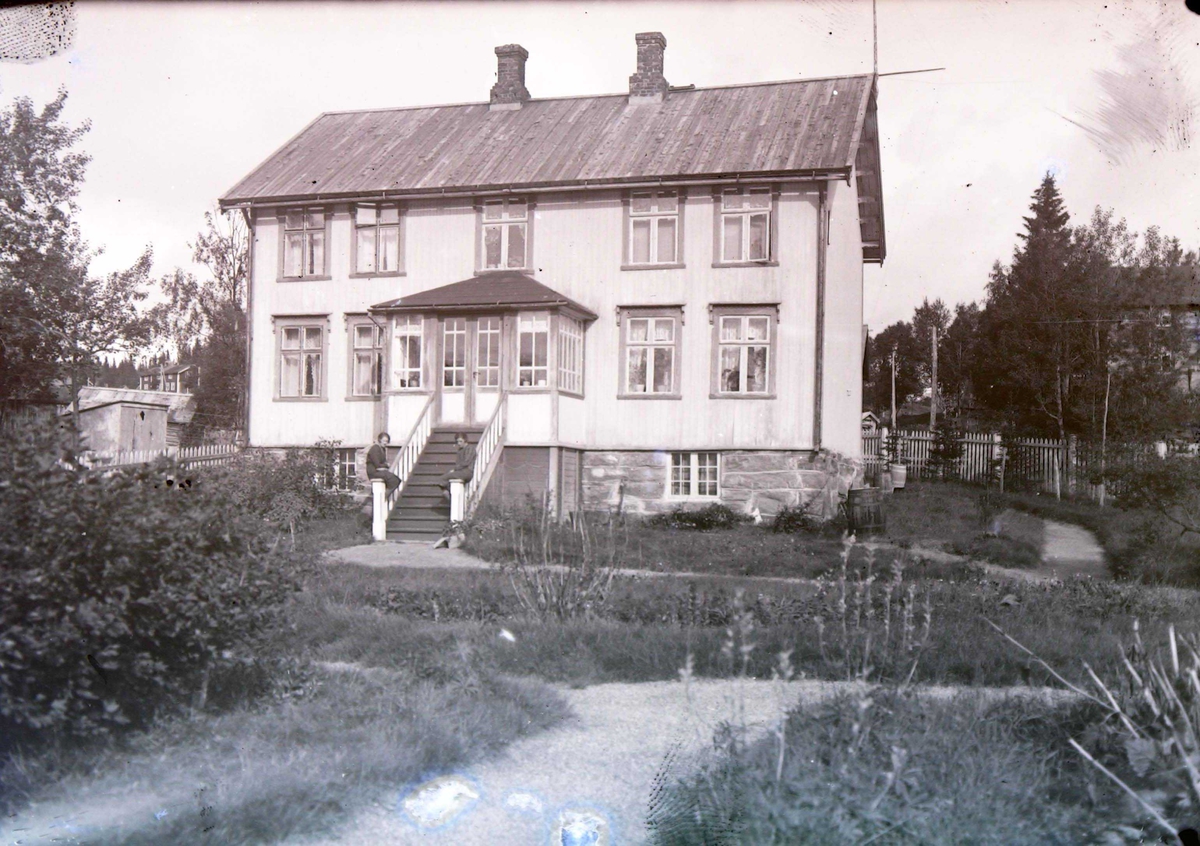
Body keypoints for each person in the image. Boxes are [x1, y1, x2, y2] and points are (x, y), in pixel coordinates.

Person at [438, 434, 477, 500]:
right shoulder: (460, 450)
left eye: (460, 441)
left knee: (443, 478)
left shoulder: (470, 448)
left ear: (465, 441)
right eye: (457, 442)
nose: (458, 443)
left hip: (467, 471)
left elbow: (466, 462)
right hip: (460, 471)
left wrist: (455, 469)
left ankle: (453, 499)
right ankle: (452, 497)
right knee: (443, 481)